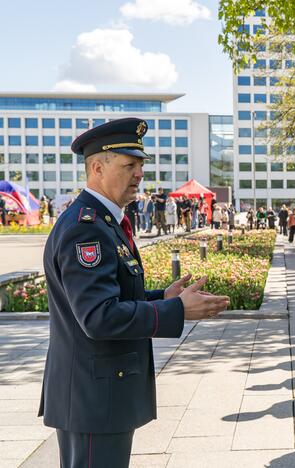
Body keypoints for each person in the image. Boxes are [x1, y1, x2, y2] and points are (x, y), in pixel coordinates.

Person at [38, 118, 229, 468]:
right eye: (130, 165)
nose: (139, 173)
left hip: (99, 393)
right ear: (97, 167)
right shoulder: (88, 230)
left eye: (140, 164)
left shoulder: (102, 221)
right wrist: (177, 312)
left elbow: (114, 296)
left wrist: (163, 299)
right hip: (95, 397)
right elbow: (99, 317)